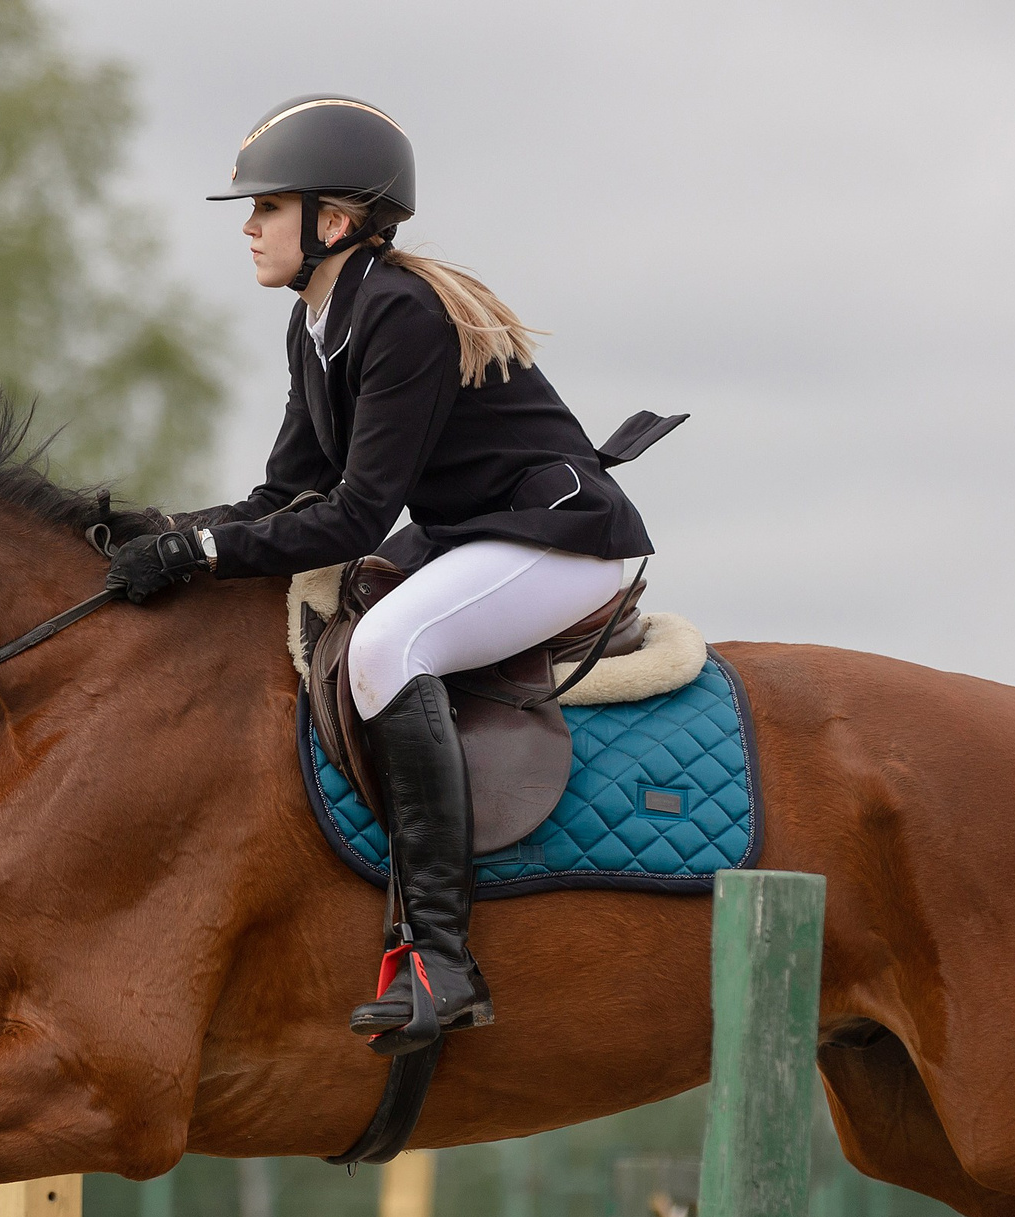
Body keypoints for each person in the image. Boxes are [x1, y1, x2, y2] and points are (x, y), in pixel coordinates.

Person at [105, 94, 661, 1054]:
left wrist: (200, 555)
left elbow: (357, 515)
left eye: (267, 207)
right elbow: (285, 494)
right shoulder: (318, 322)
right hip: (474, 535)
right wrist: (163, 530)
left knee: (386, 647)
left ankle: (441, 959)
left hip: (559, 541)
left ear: (332, 221)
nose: (248, 227)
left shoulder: (400, 313)